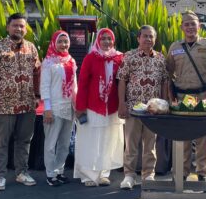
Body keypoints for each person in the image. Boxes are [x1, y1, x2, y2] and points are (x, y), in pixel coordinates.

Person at [0, 12, 41, 191]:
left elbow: (37, 72)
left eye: (22, 26)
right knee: (1, 142)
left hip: (27, 105)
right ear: (8, 27)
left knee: (24, 141)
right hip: (5, 105)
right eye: (15, 25)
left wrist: (37, 96)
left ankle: (21, 172)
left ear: (26, 29)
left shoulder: (31, 48)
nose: (19, 29)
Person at [166, 11, 206, 182]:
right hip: (182, 97)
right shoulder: (175, 47)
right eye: (186, 24)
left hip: (203, 96)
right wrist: (170, 99)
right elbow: (168, 73)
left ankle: (203, 172)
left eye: (193, 23)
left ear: (199, 26)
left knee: (203, 136)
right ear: (181, 27)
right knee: (183, 136)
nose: (190, 27)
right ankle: (182, 172)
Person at [118, 25, 168, 189]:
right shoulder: (129, 56)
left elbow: (164, 82)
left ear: (155, 39)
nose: (148, 39)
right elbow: (122, 80)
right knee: (131, 144)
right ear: (138, 38)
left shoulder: (161, 58)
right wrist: (121, 103)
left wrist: (164, 105)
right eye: (145, 36)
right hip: (133, 108)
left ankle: (148, 175)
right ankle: (129, 175)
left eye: (151, 36)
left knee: (150, 145)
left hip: (153, 110)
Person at [73, 28, 125, 187]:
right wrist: (80, 107)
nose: (107, 42)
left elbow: (123, 82)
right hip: (92, 106)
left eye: (109, 39)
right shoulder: (90, 58)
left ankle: (104, 173)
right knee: (90, 140)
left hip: (112, 107)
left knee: (108, 141)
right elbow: (82, 84)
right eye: (103, 39)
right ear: (97, 41)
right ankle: (88, 175)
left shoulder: (119, 58)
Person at [40, 31, 77, 187]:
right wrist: (46, 108)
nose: (63, 44)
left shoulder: (71, 60)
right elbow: (45, 86)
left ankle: (59, 171)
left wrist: (77, 104)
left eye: (66, 41)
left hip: (69, 107)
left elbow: (75, 85)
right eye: (60, 41)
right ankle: (50, 174)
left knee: (64, 142)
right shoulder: (48, 62)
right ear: (54, 43)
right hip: (54, 107)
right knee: (51, 143)